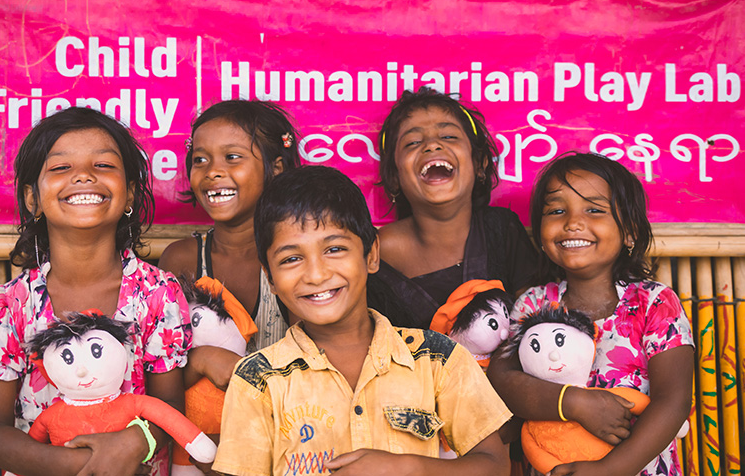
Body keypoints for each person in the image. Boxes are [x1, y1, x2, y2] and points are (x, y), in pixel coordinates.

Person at [212, 166, 512, 476]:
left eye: (335, 249)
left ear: (371, 255)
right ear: (270, 278)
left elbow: (494, 465)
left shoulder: (436, 359)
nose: (316, 274)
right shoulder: (258, 379)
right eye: (291, 258)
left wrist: (408, 468)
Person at [0, 107, 191, 476]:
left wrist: (133, 443)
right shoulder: (6, 308)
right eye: (61, 168)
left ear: (130, 193)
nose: (83, 176)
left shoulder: (159, 295)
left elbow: (169, 405)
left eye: (103, 166)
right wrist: (76, 464)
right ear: (33, 198)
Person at [487, 152, 695, 476]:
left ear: (629, 232)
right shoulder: (533, 304)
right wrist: (574, 403)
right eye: (556, 210)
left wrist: (610, 469)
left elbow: (674, 402)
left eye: (594, 210)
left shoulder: (654, 303)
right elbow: (502, 380)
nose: (572, 222)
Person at [159, 100, 300, 400]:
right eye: (200, 160)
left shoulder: (296, 257)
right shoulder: (181, 259)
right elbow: (159, 372)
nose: (212, 172)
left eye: (232, 157)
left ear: (276, 168)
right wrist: (200, 360)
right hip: (202, 439)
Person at [367, 87, 539, 329]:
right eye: (413, 142)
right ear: (394, 177)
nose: (432, 146)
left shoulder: (502, 230)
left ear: (479, 164)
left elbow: (536, 322)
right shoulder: (374, 254)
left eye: (448, 137)